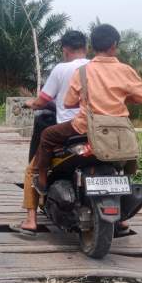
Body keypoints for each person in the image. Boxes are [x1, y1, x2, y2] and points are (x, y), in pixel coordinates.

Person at [33, 23, 142, 205]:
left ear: (92, 47)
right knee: (130, 153)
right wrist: (122, 98)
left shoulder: (83, 71)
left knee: (47, 135)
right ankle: (124, 200)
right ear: (114, 46)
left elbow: (68, 102)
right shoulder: (126, 70)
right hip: (118, 129)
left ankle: (41, 180)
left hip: (84, 127)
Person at [10, 30, 89, 235]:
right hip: (98, 130)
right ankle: (123, 221)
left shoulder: (62, 69)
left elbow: (43, 100)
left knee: (32, 170)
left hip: (70, 130)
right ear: (86, 48)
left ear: (65, 50)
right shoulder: (96, 68)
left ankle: (30, 220)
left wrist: (32, 103)